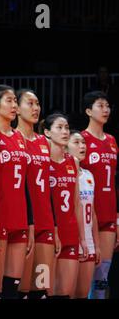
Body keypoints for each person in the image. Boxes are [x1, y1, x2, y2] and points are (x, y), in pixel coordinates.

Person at [0, 85, 34, 299]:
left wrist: (30, 224)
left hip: (20, 216)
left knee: (13, 286)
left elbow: (25, 185)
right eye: (8, 101)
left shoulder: (20, 138)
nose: (14, 105)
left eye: (15, 101)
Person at [15, 89, 61, 299]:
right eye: (30, 103)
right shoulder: (13, 139)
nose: (35, 108)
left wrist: (55, 227)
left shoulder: (44, 142)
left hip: (45, 223)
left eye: (37, 103)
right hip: (22, 221)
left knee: (41, 288)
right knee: (20, 289)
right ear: (16, 108)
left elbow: (51, 189)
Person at [40, 113, 88, 298]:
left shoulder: (73, 162)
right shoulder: (42, 161)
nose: (65, 131)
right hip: (49, 234)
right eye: (59, 127)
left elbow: (77, 203)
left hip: (70, 232)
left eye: (66, 127)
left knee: (65, 293)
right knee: (45, 291)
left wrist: (82, 239)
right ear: (47, 132)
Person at [80, 91, 118, 299]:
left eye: (107, 105)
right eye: (100, 105)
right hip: (88, 216)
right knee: (87, 275)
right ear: (88, 111)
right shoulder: (81, 141)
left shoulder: (112, 141)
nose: (105, 109)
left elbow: (113, 181)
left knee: (102, 277)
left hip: (109, 215)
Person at [68, 130, 101, 299]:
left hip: (88, 240)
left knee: (82, 294)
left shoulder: (89, 175)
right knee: (69, 293)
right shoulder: (65, 174)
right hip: (72, 239)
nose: (82, 146)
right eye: (76, 142)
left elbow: (93, 213)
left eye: (83, 143)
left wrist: (97, 244)